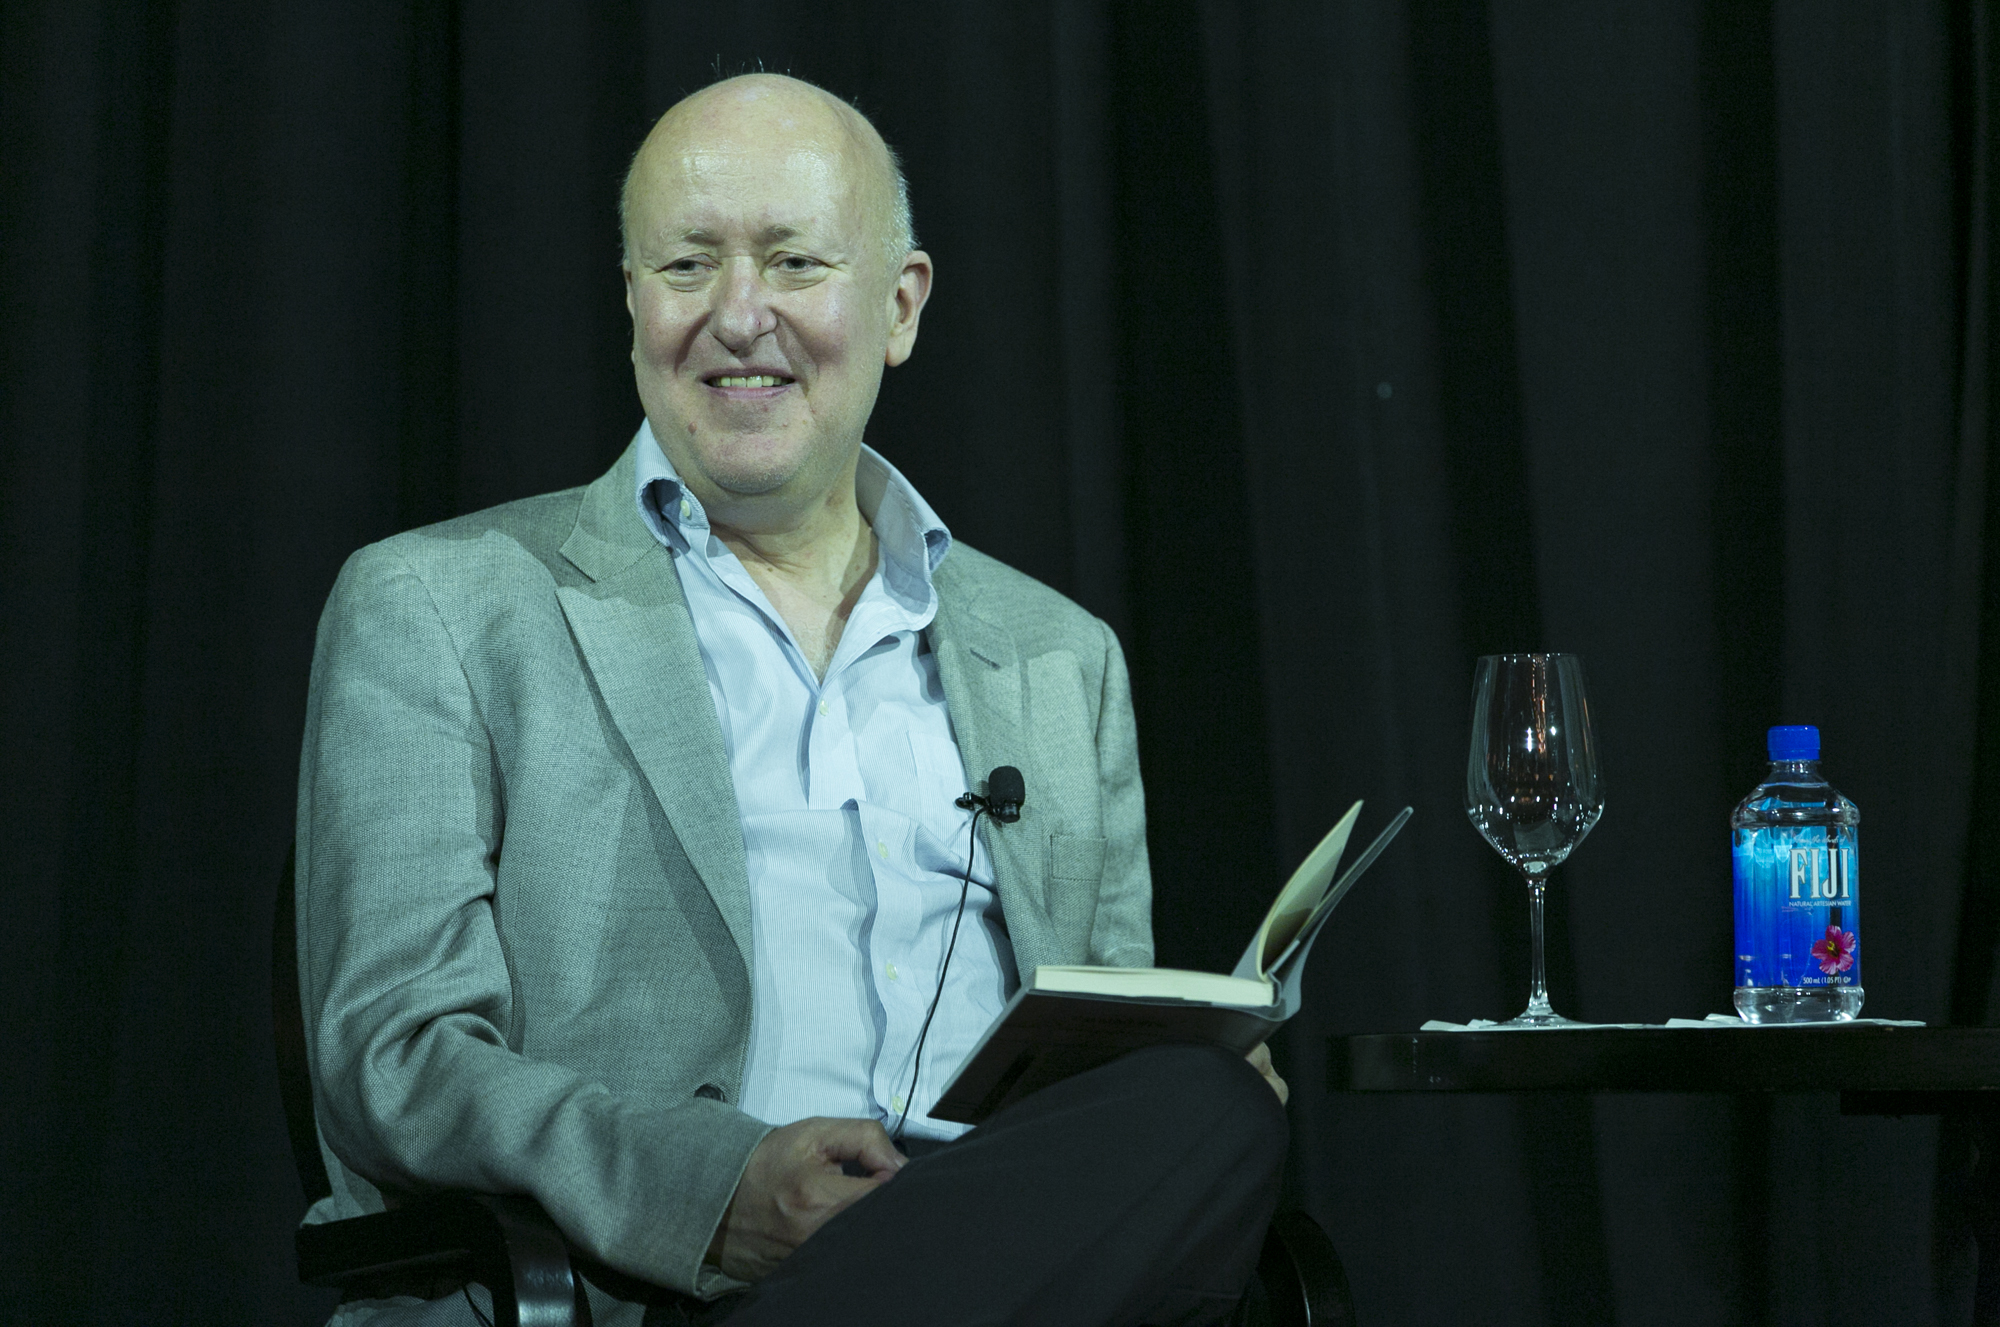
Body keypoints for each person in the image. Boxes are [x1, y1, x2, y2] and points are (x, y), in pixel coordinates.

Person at [296, 73, 1287, 1326]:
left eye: (793, 261)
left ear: (899, 306)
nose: (737, 315)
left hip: (1008, 1265)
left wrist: (1163, 1073)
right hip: (650, 1292)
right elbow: (397, 1057)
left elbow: (1090, 1063)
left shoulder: (1056, 657)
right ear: (631, 302)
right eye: (686, 266)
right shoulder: (442, 607)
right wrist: (718, 1189)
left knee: (1200, 1104)